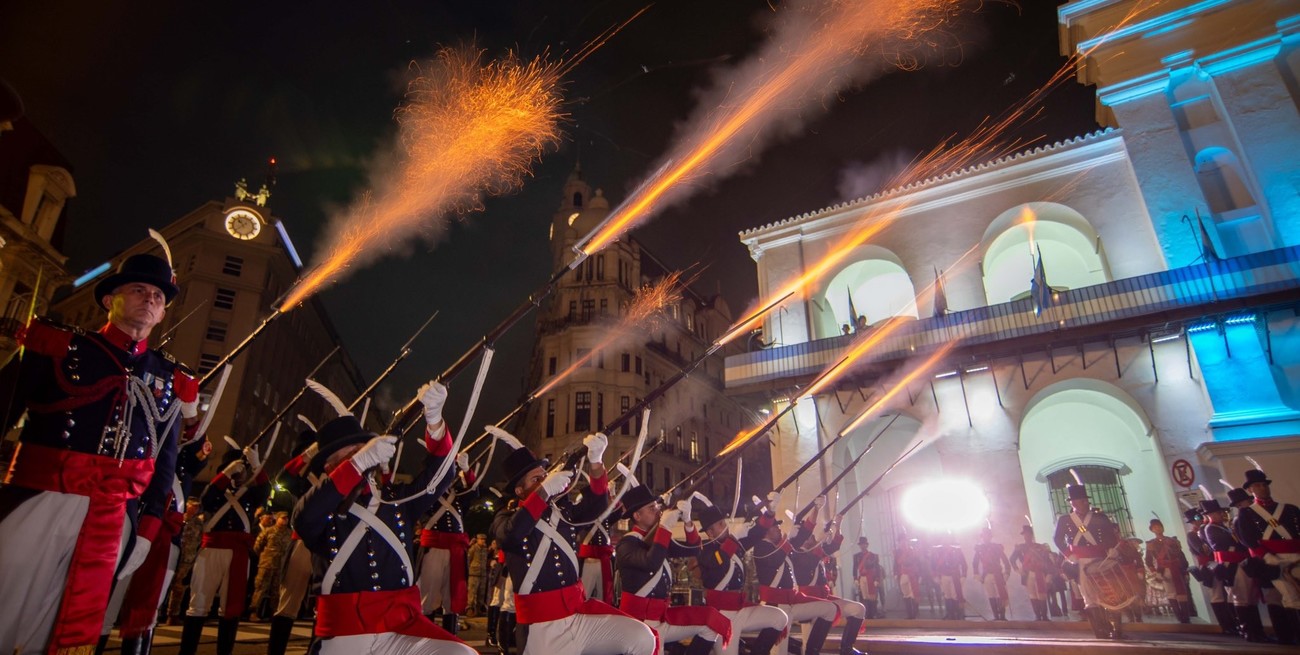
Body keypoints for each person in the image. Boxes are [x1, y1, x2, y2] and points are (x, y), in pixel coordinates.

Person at [0, 251, 199, 655]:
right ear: (110, 300)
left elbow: (163, 466)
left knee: (61, 627)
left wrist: (147, 529)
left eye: (158, 297)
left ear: (162, 314)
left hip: (115, 517)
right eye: (139, 290)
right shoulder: (60, 345)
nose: (150, 299)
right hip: (40, 497)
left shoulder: (169, 377)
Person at [293, 381, 475, 655]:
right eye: (350, 455)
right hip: (344, 632)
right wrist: (357, 463)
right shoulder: (322, 504)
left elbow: (441, 476)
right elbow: (304, 518)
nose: (360, 458)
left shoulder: (395, 499)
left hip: (400, 626)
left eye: (362, 450)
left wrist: (435, 421)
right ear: (330, 468)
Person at [489, 428, 655, 655]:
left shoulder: (562, 512)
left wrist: (595, 463)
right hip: (541, 628)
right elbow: (511, 535)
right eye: (536, 479)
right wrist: (544, 490)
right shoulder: (505, 517)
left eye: (545, 477)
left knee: (642, 638)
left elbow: (596, 508)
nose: (544, 481)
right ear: (520, 490)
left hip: (578, 615)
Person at [616, 483, 730, 655]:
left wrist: (688, 521)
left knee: (711, 624)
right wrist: (664, 527)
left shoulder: (658, 540)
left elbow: (694, 549)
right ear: (637, 516)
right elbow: (651, 562)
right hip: (639, 623)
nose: (658, 511)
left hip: (661, 616)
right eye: (651, 508)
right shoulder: (626, 544)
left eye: (657, 506)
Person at [179, 442, 271, 655]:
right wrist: (227, 473)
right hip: (212, 549)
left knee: (230, 607)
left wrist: (256, 465)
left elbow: (264, 491)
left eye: (242, 470)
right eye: (236, 469)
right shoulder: (217, 490)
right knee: (198, 603)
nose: (240, 474)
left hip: (238, 553)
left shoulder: (249, 494)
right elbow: (206, 499)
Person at [746, 492, 838, 655]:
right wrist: (788, 539)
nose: (779, 529)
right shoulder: (761, 547)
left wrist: (816, 509)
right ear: (766, 530)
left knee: (829, 609)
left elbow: (804, 533)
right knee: (778, 651)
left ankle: (812, 652)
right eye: (775, 526)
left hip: (791, 599)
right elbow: (776, 559)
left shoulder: (780, 545)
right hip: (776, 603)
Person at [695, 500, 787, 655]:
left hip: (739, 608)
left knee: (779, 617)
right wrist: (734, 538)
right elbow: (719, 560)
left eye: (724, 522)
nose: (725, 526)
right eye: (720, 524)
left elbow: (758, 533)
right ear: (710, 533)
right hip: (721, 615)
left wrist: (770, 512)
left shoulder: (734, 544)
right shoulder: (705, 550)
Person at [788, 498, 865, 655]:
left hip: (824, 597)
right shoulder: (797, 554)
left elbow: (834, 546)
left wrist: (838, 524)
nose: (811, 539)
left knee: (858, 609)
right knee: (809, 643)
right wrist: (824, 535)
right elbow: (811, 561)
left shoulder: (816, 551)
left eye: (811, 537)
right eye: (807, 537)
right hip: (807, 600)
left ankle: (846, 649)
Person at [1233, 467, 1300, 643]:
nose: (1262, 488)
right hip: (1271, 561)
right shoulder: (1246, 514)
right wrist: (1270, 559)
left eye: (1264, 484)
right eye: (1257, 485)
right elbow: (1248, 540)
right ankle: (1289, 636)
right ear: (1250, 490)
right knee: (1289, 597)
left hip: (1296, 558)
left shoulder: (1290, 509)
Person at [1052, 480, 1122, 640]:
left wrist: (1112, 549)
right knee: (1090, 597)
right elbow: (1057, 539)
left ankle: (1116, 629)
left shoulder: (1100, 517)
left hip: (1102, 559)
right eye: (1081, 501)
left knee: (1110, 593)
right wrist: (1069, 555)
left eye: (1086, 500)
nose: (1085, 503)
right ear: (1073, 503)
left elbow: (1110, 536)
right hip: (1081, 561)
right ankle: (1101, 631)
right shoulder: (1065, 520)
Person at [417, 452, 478, 633]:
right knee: (427, 595)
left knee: (452, 597)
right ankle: (426, 638)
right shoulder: (426, 491)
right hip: (434, 547)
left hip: (455, 550)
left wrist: (466, 471)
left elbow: (473, 492)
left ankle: (450, 638)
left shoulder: (457, 495)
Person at [1201, 495, 1265, 641]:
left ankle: (1257, 631)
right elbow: (1221, 546)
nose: (1221, 515)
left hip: (1240, 563)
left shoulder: (1224, 527)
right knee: (1241, 598)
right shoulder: (1210, 528)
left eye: (1220, 512)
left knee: (1250, 598)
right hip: (1231, 565)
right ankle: (1248, 631)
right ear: (1210, 515)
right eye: (1217, 513)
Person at [167, 498, 206, 624]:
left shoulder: (199, 523)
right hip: (172, 555)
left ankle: (173, 614)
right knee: (165, 583)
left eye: (197, 507)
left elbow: (201, 540)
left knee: (179, 587)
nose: (194, 509)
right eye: (192, 506)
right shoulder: (179, 517)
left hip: (187, 559)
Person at [1144, 518, 1191, 623]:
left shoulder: (1173, 541)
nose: (1158, 528)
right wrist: (1155, 572)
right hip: (1163, 570)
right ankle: (1179, 617)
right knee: (1171, 593)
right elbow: (1148, 560)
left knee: (1182, 593)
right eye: (1155, 527)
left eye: (1159, 526)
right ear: (1152, 530)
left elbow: (1181, 556)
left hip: (1177, 569)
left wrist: (1185, 570)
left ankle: (1186, 617)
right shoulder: (1151, 544)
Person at [1009, 525, 1054, 621]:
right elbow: (1012, 559)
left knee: (1042, 595)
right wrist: (1018, 570)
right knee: (1032, 594)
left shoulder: (1040, 547)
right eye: (1025, 534)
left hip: (1040, 572)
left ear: (1031, 535)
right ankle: (1038, 616)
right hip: (1028, 573)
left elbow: (1047, 561)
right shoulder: (1020, 547)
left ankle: (1044, 616)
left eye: (1028, 534)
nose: (1027, 536)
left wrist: (1049, 574)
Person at [971, 527, 1011, 621]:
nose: (986, 537)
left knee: (1000, 594)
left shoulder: (997, 547)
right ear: (982, 537)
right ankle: (996, 616)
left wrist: (1007, 572)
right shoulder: (979, 548)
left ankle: (1002, 616)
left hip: (998, 573)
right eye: (984, 536)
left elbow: (1005, 560)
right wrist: (976, 574)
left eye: (987, 535)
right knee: (991, 595)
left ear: (990, 537)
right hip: (987, 574)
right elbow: (975, 562)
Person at [578, 512, 619, 604]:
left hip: (605, 560)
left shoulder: (607, 517)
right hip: (589, 560)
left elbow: (619, 511)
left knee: (604, 596)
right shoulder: (585, 514)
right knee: (584, 595)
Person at [931, 538, 967, 620]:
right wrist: (935, 576)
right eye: (943, 539)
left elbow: (963, 563)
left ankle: (957, 614)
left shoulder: (957, 550)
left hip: (955, 576)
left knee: (955, 595)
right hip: (944, 575)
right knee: (947, 595)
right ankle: (950, 614)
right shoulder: (937, 550)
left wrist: (964, 575)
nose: (945, 541)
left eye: (946, 539)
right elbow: (933, 564)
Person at [851, 536, 884, 619]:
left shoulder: (873, 556)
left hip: (871, 578)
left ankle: (873, 613)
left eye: (864, 544)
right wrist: (855, 578)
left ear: (867, 545)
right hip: (862, 577)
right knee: (864, 596)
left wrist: (876, 579)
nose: (863, 546)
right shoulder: (856, 556)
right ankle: (867, 614)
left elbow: (877, 568)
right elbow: (855, 568)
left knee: (872, 596)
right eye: (861, 544)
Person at [892, 534, 922, 619]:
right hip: (902, 574)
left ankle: (915, 613)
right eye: (901, 541)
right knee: (905, 595)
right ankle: (909, 614)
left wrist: (920, 574)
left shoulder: (912, 551)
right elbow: (896, 563)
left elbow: (918, 563)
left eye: (904, 540)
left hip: (912, 574)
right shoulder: (897, 552)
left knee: (913, 594)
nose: (903, 542)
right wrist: (895, 573)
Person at [467, 533, 490, 617]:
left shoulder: (485, 549)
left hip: (482, 574)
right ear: (477, 540)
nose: (483, 541)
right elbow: (468, 559)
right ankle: (470, 609)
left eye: (484, 539)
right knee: (472, 593)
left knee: (481, 593)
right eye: (481, 539)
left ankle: (479, 609)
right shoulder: (473, 548)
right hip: (474, 573)